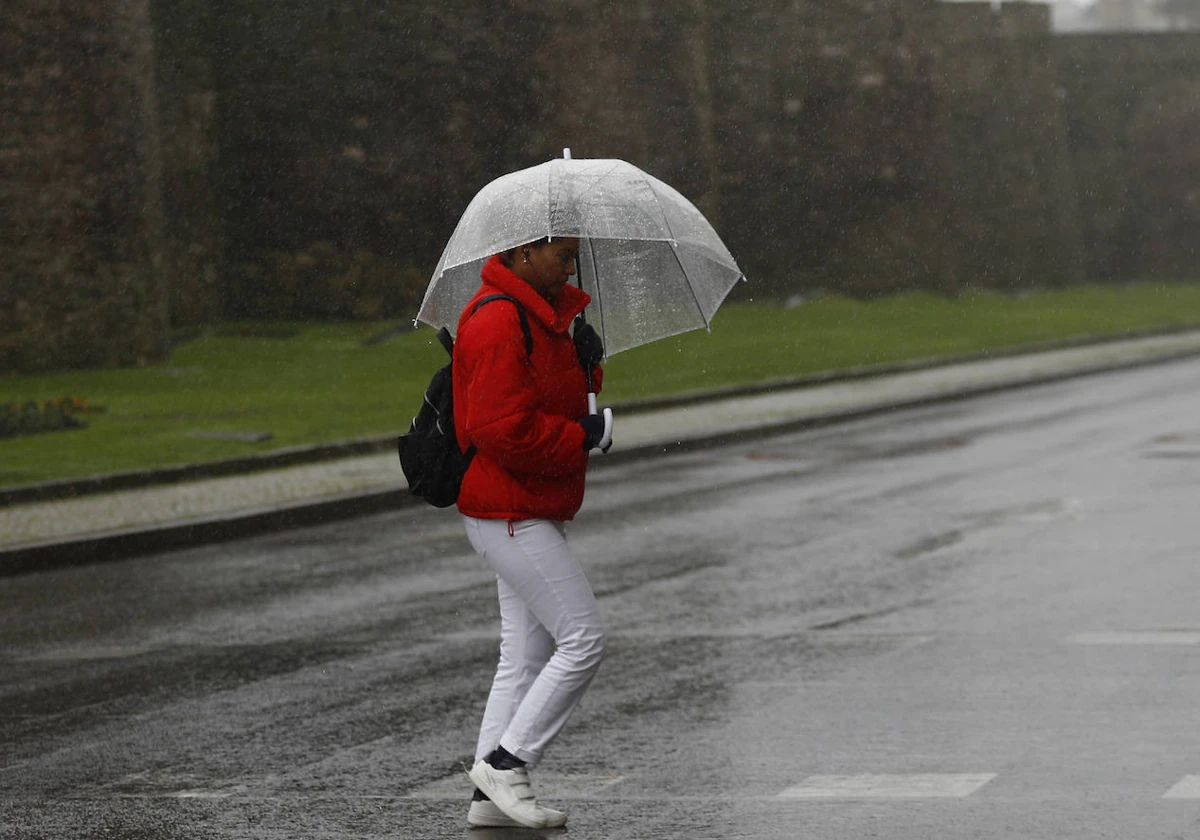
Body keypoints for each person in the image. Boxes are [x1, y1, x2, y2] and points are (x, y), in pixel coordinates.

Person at [452, 236, 609, 830]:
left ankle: (490, 801)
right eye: (561, 253)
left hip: (523, 506)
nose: (571, 263)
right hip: (509, 511)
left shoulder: (544, 320)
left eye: (573, 254)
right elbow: (500, 427)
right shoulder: (498, 320)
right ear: (520, 253)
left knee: (523, 657)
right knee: (583, 640)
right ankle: (507, 763)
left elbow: (551, 398)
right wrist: (582, 438)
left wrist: (587, 362)